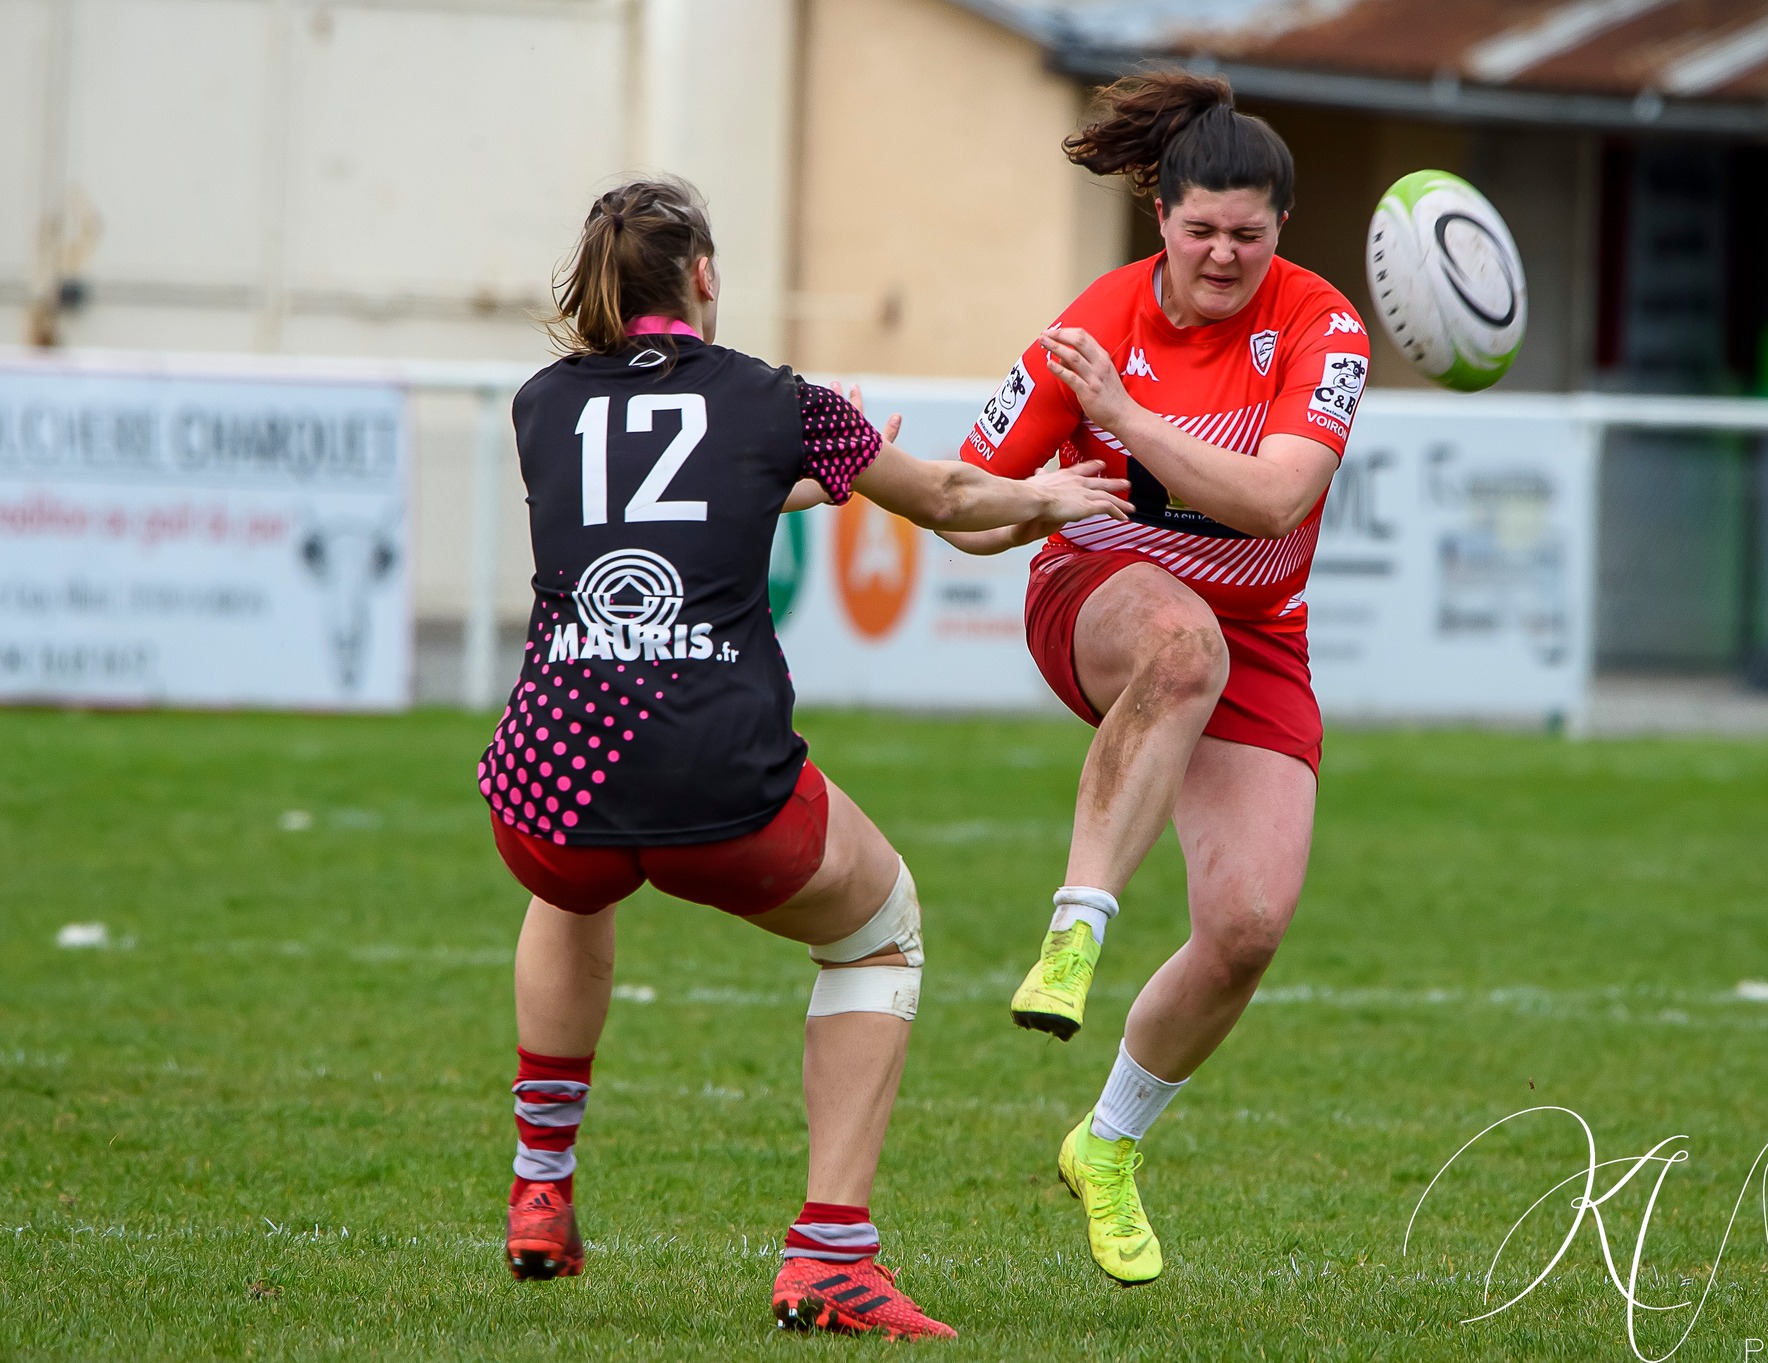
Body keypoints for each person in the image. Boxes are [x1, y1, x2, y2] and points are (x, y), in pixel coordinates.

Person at [479, 177, 1131, 1338]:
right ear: (706, 277)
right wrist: (1051, 495)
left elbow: (653, 500)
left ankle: (540, 1183)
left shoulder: (539, 403)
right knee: (880, 929)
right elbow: (945, 501)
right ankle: (829, 1252)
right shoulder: (781, 399)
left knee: (569, 880)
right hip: (716, 771)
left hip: (549, 768)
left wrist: (796, 481)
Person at [941, 71, 1369, 1284]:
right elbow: (967, 514)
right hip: (1100, 603)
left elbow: (1278, 493)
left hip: (1261, 640)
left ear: (1280, 224)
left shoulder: (1325, 326)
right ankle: (1073, 935)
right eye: (1200, 232)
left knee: (1245, 928)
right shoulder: (1092, 323)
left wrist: (1123, 424)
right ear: (1161, 221)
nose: (1223, 255)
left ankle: (1108, 1143)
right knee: (1180, 646)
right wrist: (1033, 502)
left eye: (1247, 233)